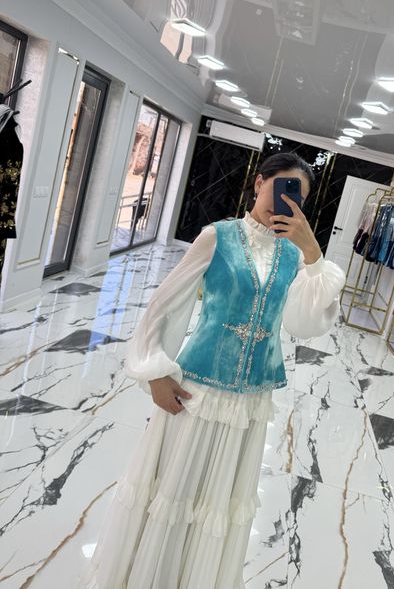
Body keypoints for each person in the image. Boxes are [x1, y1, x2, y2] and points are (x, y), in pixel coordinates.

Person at [81, 152, 345, 588]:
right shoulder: (217, 237)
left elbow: (306, 323)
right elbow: (163, 305)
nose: (286, 201)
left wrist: (313, 253)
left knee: (218, 502)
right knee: (175, 489)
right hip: (198, 391)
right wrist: (155, 371)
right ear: (259, 183)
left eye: (297, 196)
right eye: (280, 187)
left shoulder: (293, 257)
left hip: (250, 401)